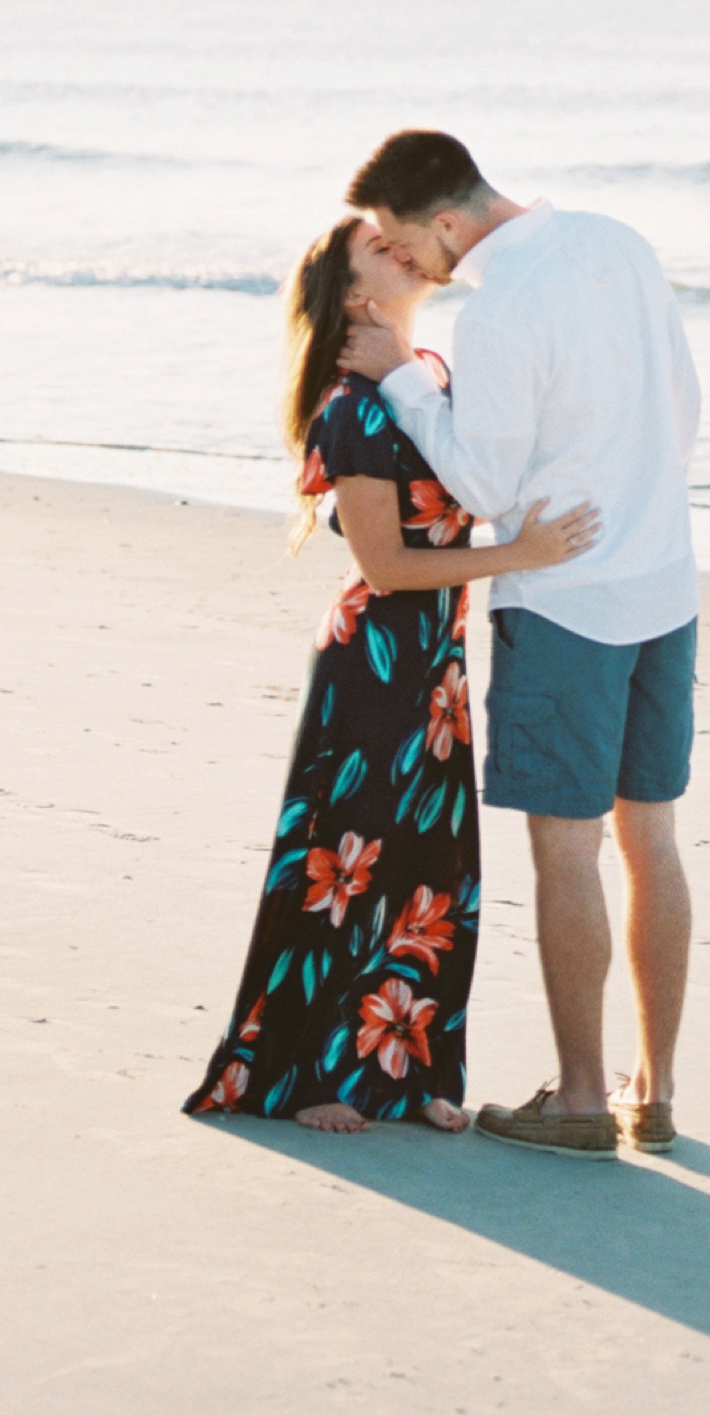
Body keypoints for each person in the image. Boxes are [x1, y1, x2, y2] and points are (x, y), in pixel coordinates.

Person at [183, 214, 598, 1136]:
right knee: (349, 864)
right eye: (381, 247)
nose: (404, 249)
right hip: (371, 664)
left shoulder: (429, 383)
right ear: (356, 294)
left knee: (431, 869)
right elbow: (386, 569)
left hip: (437, 669)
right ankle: (312, 1074)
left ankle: (407, 1075)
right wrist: (518, 553)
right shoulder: (352, 409)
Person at [340, 128, 700, 1159]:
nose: (406, 264)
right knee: (653, 839)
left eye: (407, 245)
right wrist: (634, 504)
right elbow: (683, 410)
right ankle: (656, 1088)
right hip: (664, 581)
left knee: (565, 849)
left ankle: (584, 1096)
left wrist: (406, 379)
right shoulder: (616, 241)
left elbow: (484, 488)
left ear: (446, 221)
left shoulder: (497, 309)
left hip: (565, 604)